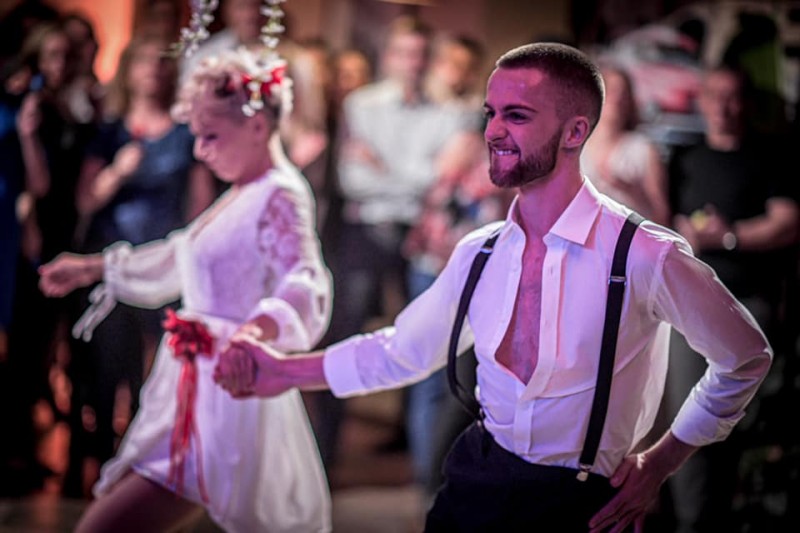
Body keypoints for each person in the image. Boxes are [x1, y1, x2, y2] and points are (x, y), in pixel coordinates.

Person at [215, 42, 773, 532]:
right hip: (475, 480)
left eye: (517, 115)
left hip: (580, 503)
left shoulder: (643, 253)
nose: (493, 131)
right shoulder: (479, 252)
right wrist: (281, 372)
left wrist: (661, 461)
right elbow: (401, 351)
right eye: (491, 113)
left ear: (575, 131)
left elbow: (745, 358)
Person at [38, 46, 333, 532]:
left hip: (223, 398)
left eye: (210, 135)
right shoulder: (244, 191)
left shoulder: (280, 193)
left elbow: (305, 279)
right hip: (192, 389)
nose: (199, 150)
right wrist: (94, 268)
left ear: (257, 126)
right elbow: (182, 254)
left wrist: (256, 331)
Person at [665, 65, 799, 532]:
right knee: (685, 423)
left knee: (736, 428)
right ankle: (691, 522)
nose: (723, 107)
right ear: (701, 101)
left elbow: (788, 223)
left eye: (733, 97)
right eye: (715, 96)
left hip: (748, 307)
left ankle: (725, 518)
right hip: (687, 312)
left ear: (746, 104)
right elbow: (659, 215)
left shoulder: (770, 157)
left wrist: (728, 237)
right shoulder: (683, 159)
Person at [581, 64, 670, 226]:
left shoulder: (643, 149)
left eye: (624, 94)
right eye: (611, 91)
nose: (617, 99)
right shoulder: (574, 148)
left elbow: (662, 218)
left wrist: (635, 193)